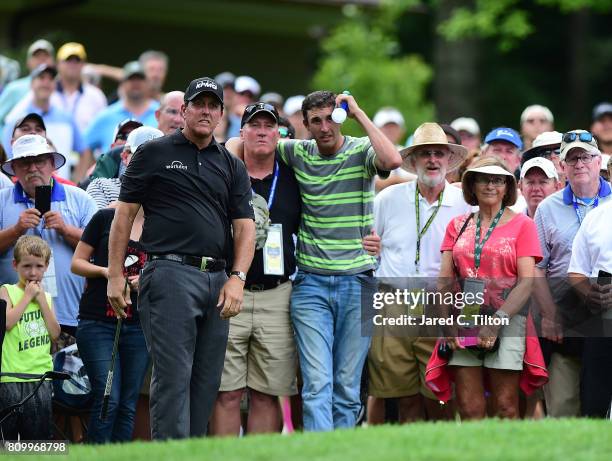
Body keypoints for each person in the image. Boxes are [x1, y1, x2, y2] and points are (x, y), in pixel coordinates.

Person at [227, 90, 401, 431]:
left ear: (340, 118)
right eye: (316, 121)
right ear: (303, 126)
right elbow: (244, 140)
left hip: (358, 279)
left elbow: (393, 160)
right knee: (317, 383)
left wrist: (359, 114)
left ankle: (341, 451)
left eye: (330, 118)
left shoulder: (361, 149)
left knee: (348, 386)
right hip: (311, 284)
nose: (324, 128)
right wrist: (233, 150)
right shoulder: (297, 151)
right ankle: (319, 451)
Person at [107, 76, 255, 440]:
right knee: (173, 378)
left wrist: (237, 277)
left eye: (213, 105)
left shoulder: (231, 165)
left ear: (221, 113)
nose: (205, 111)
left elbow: (246, 228)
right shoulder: (154, 153)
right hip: (169, 271)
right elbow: (123, 217)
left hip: (218, 279)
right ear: (184, 110)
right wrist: (114, 275)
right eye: (198, 104)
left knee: (206, 382)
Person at [367, 123, 471, 424]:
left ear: (449, 160)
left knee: (440, 393)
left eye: (439, 153)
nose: (433, 160)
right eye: (425, 154)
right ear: (412, 161)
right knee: (402, 394)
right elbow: (368, 247)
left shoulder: (465, 203)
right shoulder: (388, 199)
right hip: (392, 301)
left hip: (442, 302)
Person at [212, 102, 300, 436]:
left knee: (266, 393)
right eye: (254, 125)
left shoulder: (294, 175)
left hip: (276, 294)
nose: (262, 131)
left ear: (279, 134)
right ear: (242, 132)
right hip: (229, 289)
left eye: (269, 126)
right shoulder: (224, 173)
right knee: (227, 391)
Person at [438, 156, 542, 419]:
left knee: (506, 404)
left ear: (508, 187)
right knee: (469, 405)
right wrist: (444, 321)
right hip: (466, 314)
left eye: (497, 179)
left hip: (507, 314)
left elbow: (527, 281)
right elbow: (445, 279)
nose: (490, 185)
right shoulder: (457, 225)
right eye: (483, 178)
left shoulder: (523, 225)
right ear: (471, 185)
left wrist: (496, 321)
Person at [533, 129, 610, 417]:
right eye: (572, 158)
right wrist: (549, 314)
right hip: (564, 318)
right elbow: (537, 268)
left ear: (598, 160)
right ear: (561, 166)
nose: (579, 164)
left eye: (586, 157)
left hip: (605, 316)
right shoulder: (547, 208)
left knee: (599, 404)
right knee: (564, 405)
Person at [0, 135, 96, 335]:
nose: (33, 168)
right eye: (25, 163)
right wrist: (15, 230)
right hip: (14, 317)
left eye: (40, 161)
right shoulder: (1, 200)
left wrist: (65, 229)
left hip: (70, 313)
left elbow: (101, 248)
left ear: (52, 164)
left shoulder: (80, 198)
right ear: (14, 169)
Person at [71, 202, 149, 443]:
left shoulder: (162, 225)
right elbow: (77, 263)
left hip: (139, 325)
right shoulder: (105, 217)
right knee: (108, 398)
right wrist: (109, 272)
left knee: (127, 402)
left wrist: (146, 278)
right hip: (97, 323)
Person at [0, 235, 60, 440]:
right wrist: (27, 297)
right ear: (15, 265)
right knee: (6, 439)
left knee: (37, 440)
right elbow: (6, 323)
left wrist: (41, 300)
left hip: (40, 377)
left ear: (46, 267)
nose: (33, 272)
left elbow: (55, 333)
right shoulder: (6, 291)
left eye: (38, 266)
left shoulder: (47, 298)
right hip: (10, 377)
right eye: (26, 266)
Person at [567, 199, 612, 417]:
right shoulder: (596, 217)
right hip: (602, 319)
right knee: (595, 401)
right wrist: (589, 294)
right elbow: (577, 271)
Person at [3, 64, 85, 180]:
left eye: (50, 79)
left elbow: (84, 150)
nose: (46, 82)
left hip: (62, 190)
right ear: (31, 84)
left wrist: (77, 182)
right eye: (41, 78)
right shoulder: (15, 118)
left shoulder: (67, 118)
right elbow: (6, 158)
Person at [9, 42, 107, 134]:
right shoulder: (45, 89)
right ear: (58, 63)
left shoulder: (96, 95)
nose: (73, 64)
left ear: (84, 64)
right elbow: (13, 119)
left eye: (77, 60)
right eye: (68, 60)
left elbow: (104, 129)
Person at [84, 61, 159, 158]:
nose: (136, 83)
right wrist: (95, 169)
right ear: (122, 83)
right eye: (131, 79)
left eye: (140, 79)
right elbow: (84, 147)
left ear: (148, 83)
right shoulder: (106, 116)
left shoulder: (161, 113)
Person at [86, 126, 163, 209]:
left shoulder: (172, 190)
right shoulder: (101, 186)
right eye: (142, 155)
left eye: (158, 157)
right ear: (125, 156)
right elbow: (98, 221)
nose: (151, 162)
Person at [0, 39, 54, 129]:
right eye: (37, 56)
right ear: (28, 62)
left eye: (46, 55)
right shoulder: (14, 88)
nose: (42, 59)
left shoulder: (58, 87)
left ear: (53, 61)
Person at [372, 107, 414, 192]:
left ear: (402, 130)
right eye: (386, 127)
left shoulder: (409, 153)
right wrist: (398, 180)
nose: (391, 131)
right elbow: (373, 183)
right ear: (375, 129)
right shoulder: (368, 152)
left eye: (394, 127)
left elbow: (418, 182)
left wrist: (392, 181)